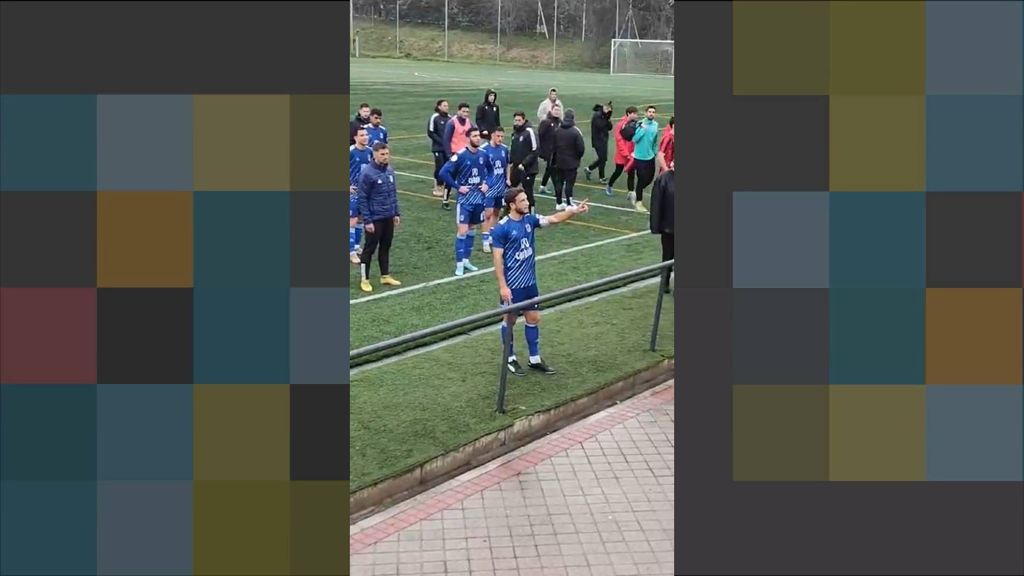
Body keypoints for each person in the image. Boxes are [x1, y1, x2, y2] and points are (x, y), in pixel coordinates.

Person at [491, 187, 590, 376]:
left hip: (529, 283)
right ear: (512, 205)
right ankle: (509, 357)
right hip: (512, 286)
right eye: (522, 201)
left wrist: (573, 211)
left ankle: (534, 359)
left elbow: (553, 219)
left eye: (526, 199)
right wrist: (503, 286)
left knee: (534, 318)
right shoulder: (502, 228)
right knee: (509, 320)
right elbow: (497, 259)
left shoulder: (530, 220)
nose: (527, 203)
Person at [439, 128, 492, 276]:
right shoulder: (460, 155)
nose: (478, 138)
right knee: (462, 231)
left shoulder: (484, 154)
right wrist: (458, 187)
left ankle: (467, 260)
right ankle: (459, 264)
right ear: (468, 138)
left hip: (479, 200)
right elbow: (443, 172)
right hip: (465, 201)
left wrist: (487, 183)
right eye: (474, 136)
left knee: (472, 230)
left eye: (478, 136)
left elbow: (492, 171)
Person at [357, 142, 402, 293]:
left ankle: (385, 275)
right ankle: (364, 279)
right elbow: (362, 198)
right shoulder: (367, 173)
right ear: (375, 154)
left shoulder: (389, 170)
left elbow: (393, 193)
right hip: (375, 218)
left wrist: (396, 213)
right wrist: (367, 220)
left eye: (387, 154)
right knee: (369, 249)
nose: (385, 157)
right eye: (382, 154)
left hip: (388, 216)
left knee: (385, 247)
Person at [481, 126, 510, 253]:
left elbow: (508, 165)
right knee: (487, 213)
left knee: (497, 213)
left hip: (500, 187)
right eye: (498, 136)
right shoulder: (484, 150)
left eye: (502, 136)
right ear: (492, 135)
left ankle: (492, 236)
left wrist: (508, 178)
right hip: (489, 188)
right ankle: (485, 240)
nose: (500, 139)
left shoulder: (504, 149)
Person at [442, 103, 475, 210]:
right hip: (454, 154)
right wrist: (449, 155)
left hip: (465, 154)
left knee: (466, 177)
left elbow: (474, 132)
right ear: (459, 111)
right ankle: (445, 200)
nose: (465, 114)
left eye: (467, 112)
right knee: (450, 178)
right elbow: (446, 139)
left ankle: (465, 198)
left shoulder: (469, 123)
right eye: (464, 111)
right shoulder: (452, 123)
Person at [552, 108, 586, 210]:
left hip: (559, 161)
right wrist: (577, 157)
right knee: (569, 183)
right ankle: (569, 203)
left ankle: (558, 202)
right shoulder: (575, 132)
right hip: (571, 162)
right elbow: (581, 148)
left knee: (559, 182)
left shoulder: (557, 130)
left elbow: (553, 146)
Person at [649, 159, 674, 294]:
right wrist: (656, 226)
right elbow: (656, 204)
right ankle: (664, 282)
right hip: (669, 227)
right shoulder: (663, 179)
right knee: (668, 257)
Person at [349, 127, 373, 265]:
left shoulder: (370, 152)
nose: (365, 137)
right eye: (362, 135)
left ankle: (356, 246)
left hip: (366, 192)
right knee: (351, 220)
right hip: (353, 192)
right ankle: (351, 252)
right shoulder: (351, 151)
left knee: (361, 219)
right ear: (355, 138)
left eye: (366, 134)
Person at [629, 105, 659, 214]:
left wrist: (655, 152)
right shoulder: (640, 124)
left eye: (653, 112)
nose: (651, 113)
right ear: (646, 113)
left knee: (650, 178)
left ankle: (636, 192)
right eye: (649, 112)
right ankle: (638, 202)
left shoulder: (656, 125)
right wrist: (642, 130)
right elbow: (634, 139)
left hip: (650, 156)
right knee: (641, 179)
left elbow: (655, 140)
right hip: (639, 157)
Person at [508, 111, 539, 212]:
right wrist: (511, 162)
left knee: (528, 191)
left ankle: (531, 212)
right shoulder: (514, 133)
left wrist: (524, 163)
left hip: (528, 169)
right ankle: (509, 210)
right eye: (515, 120)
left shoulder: (529, 131)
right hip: (516, 168)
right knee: (511, 188)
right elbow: (513, 150)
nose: (517, 122)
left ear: (524, 120)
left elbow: (535, 150)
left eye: (519, 120)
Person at [608, 106, 638, 197]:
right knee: (618, 171)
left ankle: (631, 192)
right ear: (629, 113)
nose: (636, 115)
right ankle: (609, 185)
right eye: (634, 114)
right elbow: (619, 141)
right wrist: (625, 153)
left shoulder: (634, 123)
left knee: (631, 172)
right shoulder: (620, 125)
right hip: (622, 154)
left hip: (631, 153)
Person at [584, 102, 613, 191]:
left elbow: (609, 127)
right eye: (607, 109)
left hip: (603, 139)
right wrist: (606, 117)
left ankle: (594, 172)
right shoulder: (597, 115)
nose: (608, 110)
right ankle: (593, 171)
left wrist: (608, 117)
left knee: (603, 158)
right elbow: (600, 125)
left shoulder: (604, 116)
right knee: (602, 158)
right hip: (598, 140)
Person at [427, 99, 451, 198]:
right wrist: (441, 141)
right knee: (439, 166)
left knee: (447, 166)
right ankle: (438, 185)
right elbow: (430, 132)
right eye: (444, 105)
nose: (446, 107)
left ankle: (445, 185)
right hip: (438, 147)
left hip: (447, 148)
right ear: (439, 107)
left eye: (447, 105)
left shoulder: (450, 118)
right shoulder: (435, 117)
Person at [537, 104, 562, 195]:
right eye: (555, 110)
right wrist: (542, 149)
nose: (557, 112)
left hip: (556, 151)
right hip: (548, 151)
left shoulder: (560, 122)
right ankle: (557, 189)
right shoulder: (546, 122)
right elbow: (540, 135)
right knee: (553, 169)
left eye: (558, 110)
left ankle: (542, 186)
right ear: (551, 111)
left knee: (549, 169)